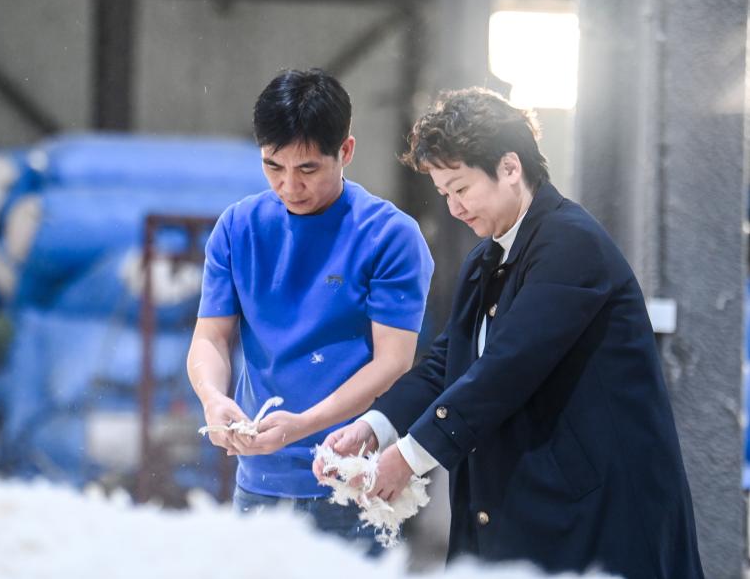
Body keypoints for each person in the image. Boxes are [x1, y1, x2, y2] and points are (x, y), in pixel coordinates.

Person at [315, 87, 704, 577]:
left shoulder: (571, 243)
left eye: (461, 189)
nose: (454, 208)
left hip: (599, 518)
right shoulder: (487, 257)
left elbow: (507, 368)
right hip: (530, 513)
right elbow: (446, 364)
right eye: (444, 194)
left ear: (510, 167)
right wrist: (375, 427)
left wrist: (409, 457)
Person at [187, 68, 434, 546]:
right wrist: (213, 399)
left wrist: (304, 426)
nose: (289, 186)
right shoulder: (238, 228)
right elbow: (210, 336)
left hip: (352, 481)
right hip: (258, 479)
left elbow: (393, 361)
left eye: (307, 169)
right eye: (272, 166)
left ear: (346, 151)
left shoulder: (389, 236)